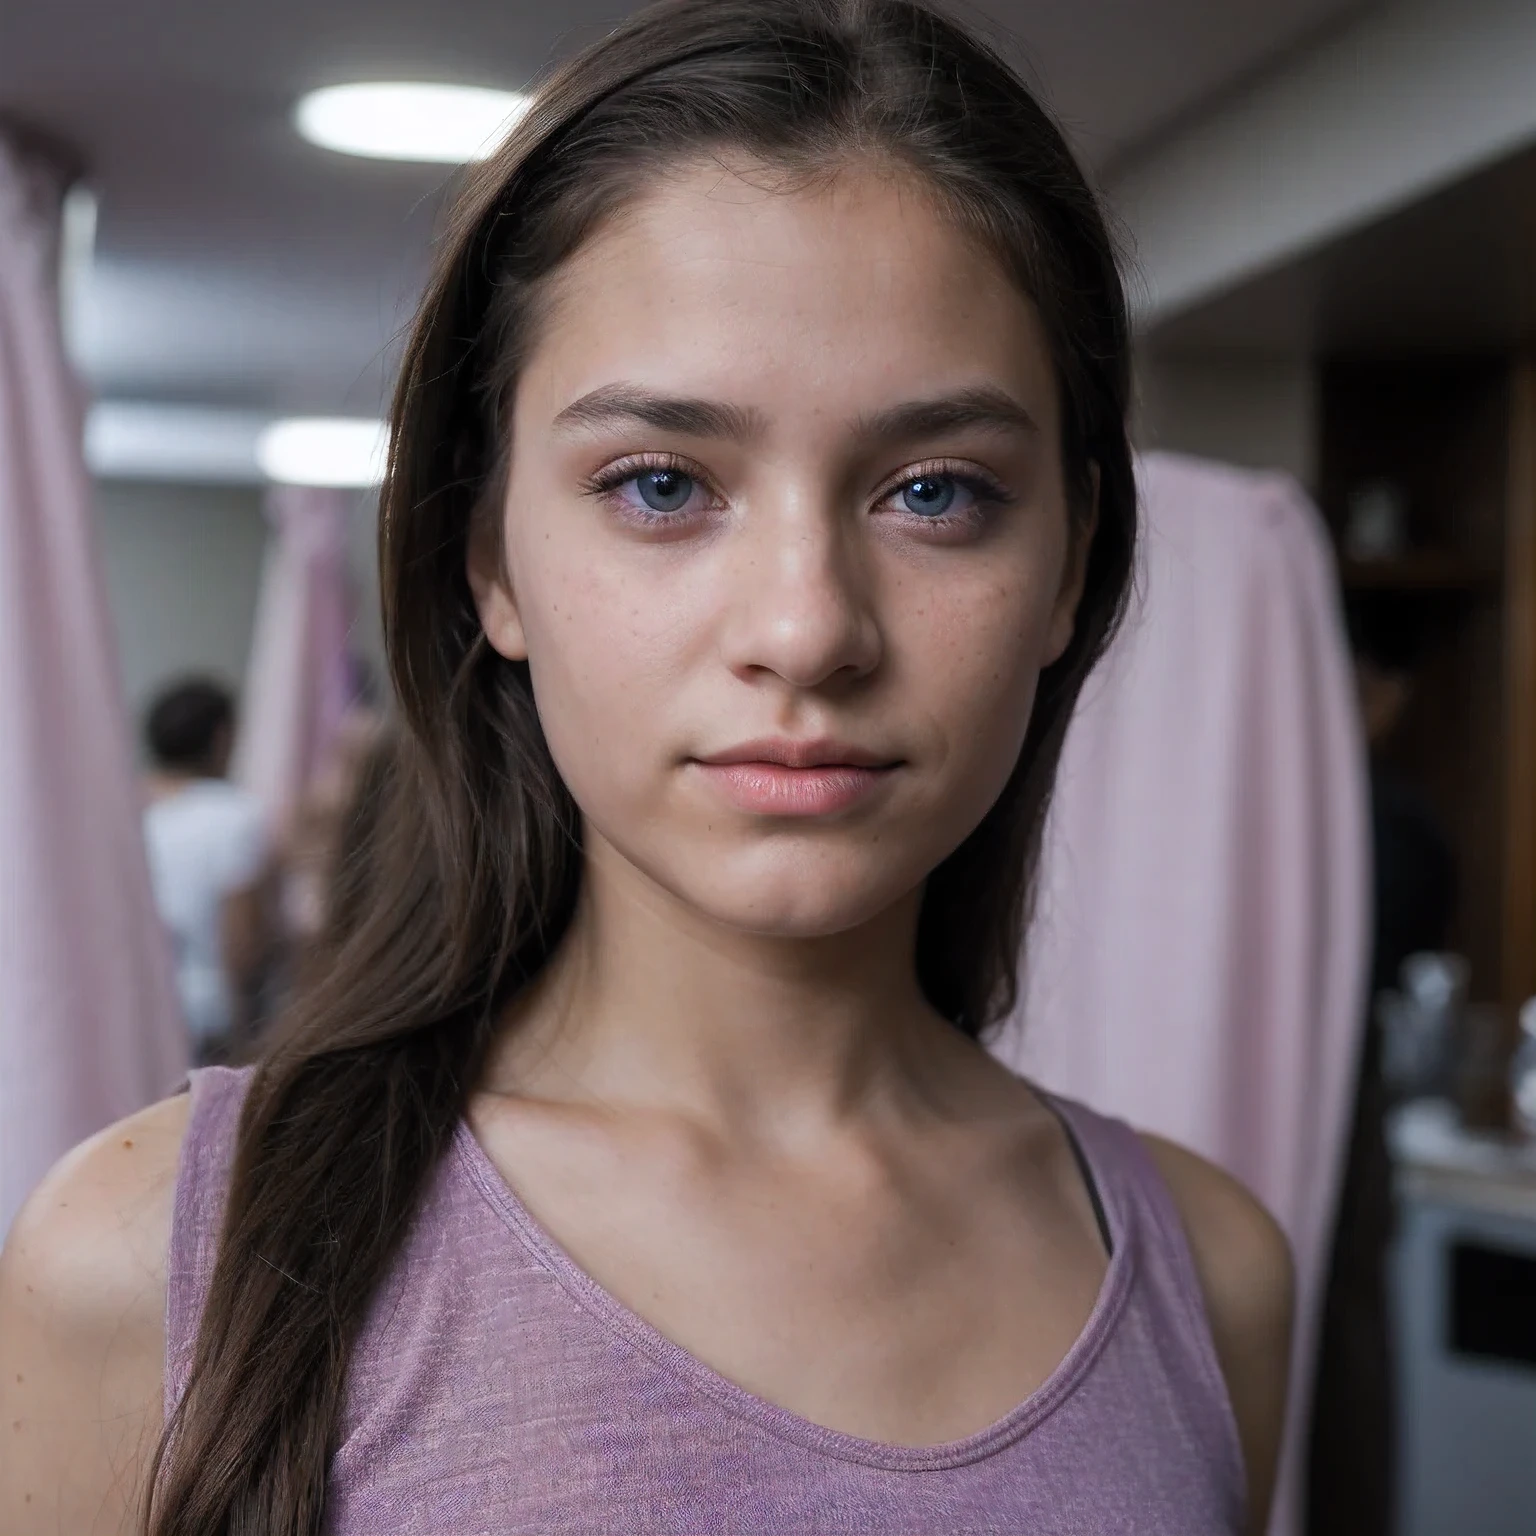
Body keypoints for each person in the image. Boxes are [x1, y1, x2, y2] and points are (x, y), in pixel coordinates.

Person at [0, 4, 1293, 1532]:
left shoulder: (1211, 1282)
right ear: (491, 560)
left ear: (1072, 559)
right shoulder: (159, 1259)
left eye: (935, 491)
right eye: (662, 485)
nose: (808, 629)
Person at [138, 675, 273, 1065]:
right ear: (221, 737)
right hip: (210, 1019)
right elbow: (243, 942)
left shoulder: (131, 814)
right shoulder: (233, 815)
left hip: (146, 1013)